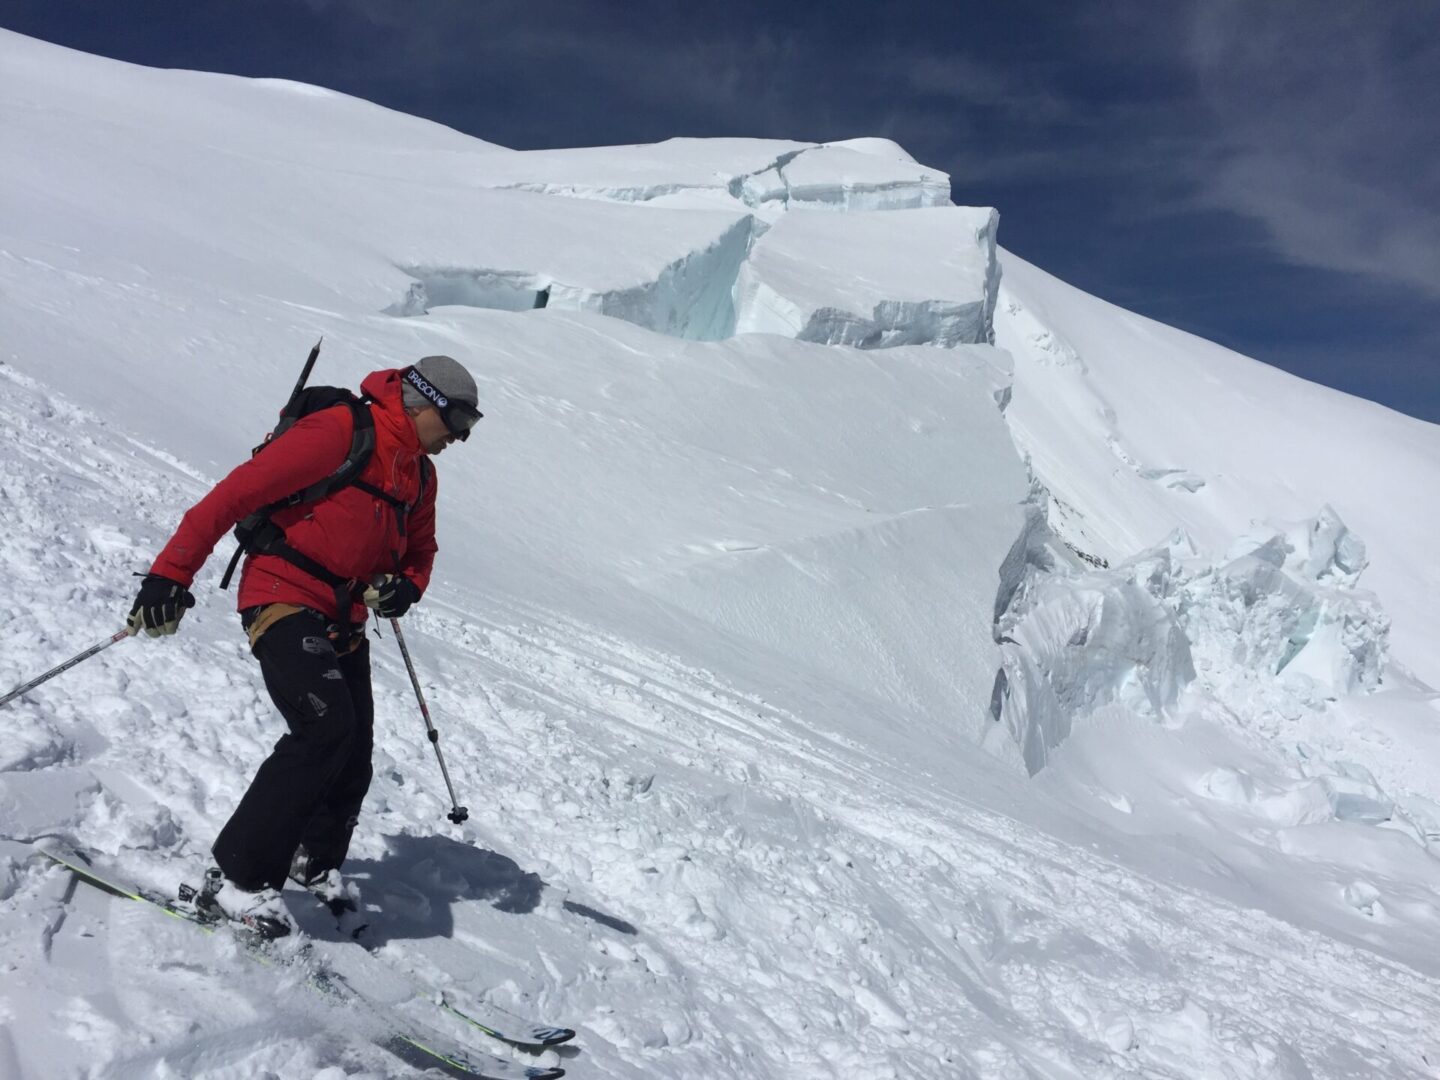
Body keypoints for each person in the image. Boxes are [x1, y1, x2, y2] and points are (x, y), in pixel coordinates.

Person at [126, 355, 481, 937]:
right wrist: (170, 575)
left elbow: (422, 552)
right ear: (422, 403)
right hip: (282, 592)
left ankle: (311, 861)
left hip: (345, 615)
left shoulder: (420, 473)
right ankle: (238, 880)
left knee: (353, 747)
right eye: (458, 421)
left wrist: (405, 589)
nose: (461, 438)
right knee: (323, 728)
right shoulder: (341, 431)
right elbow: (231, 498)